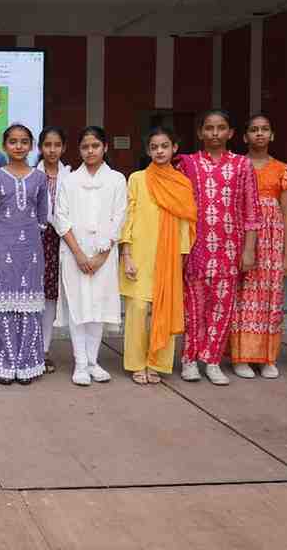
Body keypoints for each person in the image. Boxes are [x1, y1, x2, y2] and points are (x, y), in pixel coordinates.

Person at [177, 109, 259, 386]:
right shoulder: (187, 164)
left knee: (222, 308)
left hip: (229, 248)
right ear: (200, 132)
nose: (215, 133)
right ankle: (189, 360)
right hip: (195, 248)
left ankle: (212, 361)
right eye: (209, 128)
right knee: (193, 308)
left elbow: (251, 211)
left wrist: (249, 250)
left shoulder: (242, 165)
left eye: (221, 127)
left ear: (231, 132)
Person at [118, 128, 196, 384]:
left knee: (164, 309)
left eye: (164, 146)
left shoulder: (182, 183)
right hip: (139, 253)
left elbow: (185, 223)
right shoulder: (137, 179)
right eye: (154, 147)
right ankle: (136, 363)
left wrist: (181, 258)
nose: (160, 151)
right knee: (138, 309)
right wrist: (126, 254)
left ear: (174, 148)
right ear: (148, 151)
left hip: (168, 255)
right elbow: (128, 216)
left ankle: (156, 363)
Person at [53, 126, 127, 386]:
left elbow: (120, 217)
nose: (90, 151)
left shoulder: (117, 179)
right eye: (85, 147)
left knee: (97, 308)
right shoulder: (69, 180)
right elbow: (60, 218)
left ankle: (94, 362)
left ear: (105, 147)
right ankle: (80, 364)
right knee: (78, 307)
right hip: (75, 254)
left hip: (104, 255)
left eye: (95, 146)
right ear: (79, 150)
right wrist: (79, 254)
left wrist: (101, 256)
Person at [0, 124, 49, 385]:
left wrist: (31, 235)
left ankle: (27, 364)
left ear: (31, 146)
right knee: (3, 305)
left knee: (28, 306)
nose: (18, 146)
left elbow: (43, 215)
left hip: (30, 250)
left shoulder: (39, 178)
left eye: (24, 142)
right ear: (4, 145)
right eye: (13, 141)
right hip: (2, 246)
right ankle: (4, 365)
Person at [229, 114, 287, 379]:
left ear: (272, 135)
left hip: (272, 238)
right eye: (254, 130)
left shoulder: (283, 169)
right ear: (245, 136)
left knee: (270, 296)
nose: (259, 134)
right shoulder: (236, 166)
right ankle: (241, 356)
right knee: (242, 296)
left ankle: (267, 357)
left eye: (264, 129)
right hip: (242, 234)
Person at [36, 126, 71, 373]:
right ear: (40, 148)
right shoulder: (31, 175)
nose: (52, 150)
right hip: (34, 241)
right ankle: (29, 348)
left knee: (50, 297)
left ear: (64, 148)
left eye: (57, 145)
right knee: (32, 295)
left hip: (61, 241)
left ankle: (44, 349)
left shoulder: (71, 177)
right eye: (47, 145)